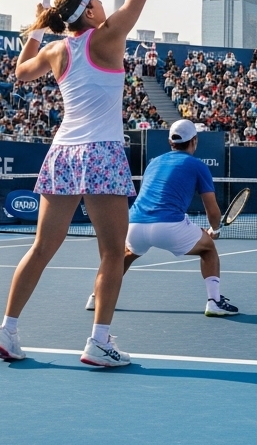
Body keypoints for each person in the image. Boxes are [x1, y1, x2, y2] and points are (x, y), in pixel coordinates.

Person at [0, 0, 194, 368]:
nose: (103, 2)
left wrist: (39, 28)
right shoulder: (108, 36)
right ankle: (99, 342)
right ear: (89, 13)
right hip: (101, 152)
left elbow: (20, 73)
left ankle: (7, 330)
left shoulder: (56, 50)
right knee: (111, 254)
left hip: (62, 153)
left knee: (42, 248)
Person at [85, 119, 237, 317]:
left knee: (126, 255)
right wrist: (214, 230)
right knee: (208, 249)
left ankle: (96, 297)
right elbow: (212, 209)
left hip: (135, 224)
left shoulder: (154, 163)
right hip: (169, 227)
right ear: (194, 141)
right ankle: (214, 301)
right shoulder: (198, 165)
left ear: (170, 142)